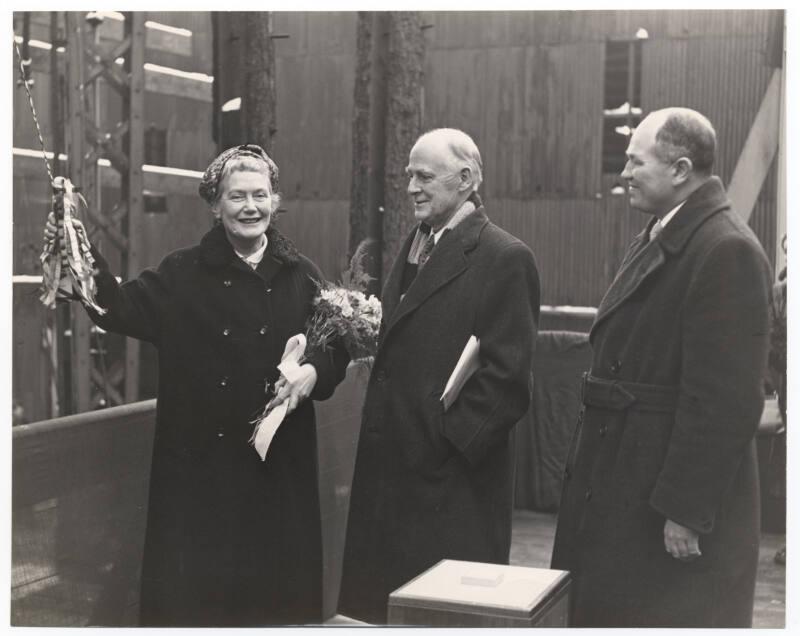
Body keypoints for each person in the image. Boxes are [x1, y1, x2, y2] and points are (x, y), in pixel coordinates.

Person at [45, 145, 349, 626]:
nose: (250, 207)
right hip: (204, 477)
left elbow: (338, 344)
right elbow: (119, 307)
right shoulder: (182, 273)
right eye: (236, 197)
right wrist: (78, 250)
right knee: (204, 605)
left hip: (278, 475)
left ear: (275, 200)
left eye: (260, 195)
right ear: (215, 205)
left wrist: (315, 369)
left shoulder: (301, 273)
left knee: (274, 603)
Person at [550, 108, 772, 627]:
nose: (624, 173)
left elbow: (725, 401)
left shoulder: (725, 250)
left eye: (635, 161)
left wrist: (687, 510)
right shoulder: (667, 231)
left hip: (660, 498)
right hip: (627, 474)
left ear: (679, 169)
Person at [337, 128, 540, 624]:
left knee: (440, 617)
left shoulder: (505, 257)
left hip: (448, 487)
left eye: (424, 176)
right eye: (409, 175)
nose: (410, 186)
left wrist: (442, 442)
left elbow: (507, 381)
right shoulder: (418, 242)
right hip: (395, 476)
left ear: (466, 180)